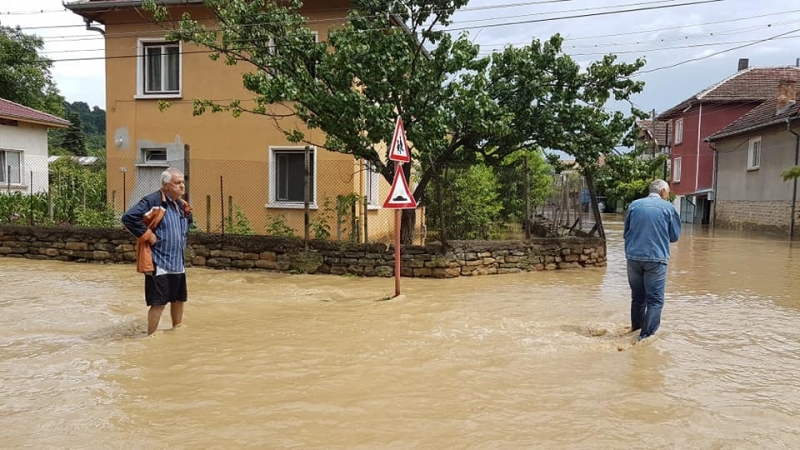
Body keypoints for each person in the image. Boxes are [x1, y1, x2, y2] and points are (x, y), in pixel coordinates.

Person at [121, 168, 193, 336]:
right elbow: (129, 218)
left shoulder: (181, 205)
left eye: (183, 182)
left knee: (178, 300)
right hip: (158, 261)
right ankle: (151, 336)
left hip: (177, 262)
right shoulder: (153, 201)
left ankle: (177, 330)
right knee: (159, 302)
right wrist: (148, 235)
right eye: (177, 183)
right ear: (166, 185)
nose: (182, 186)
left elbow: (188, 222)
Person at [623, 179, 681, 341]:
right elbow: (675, 237)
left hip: (633, 258)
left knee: (638, 297)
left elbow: (626, 232)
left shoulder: (634, 205)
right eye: (668, 192)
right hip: (656, 259)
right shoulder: (669, 208)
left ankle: (636, 329)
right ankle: (645, 338)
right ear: (663, 191)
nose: (668, 195)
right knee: (655, 300)